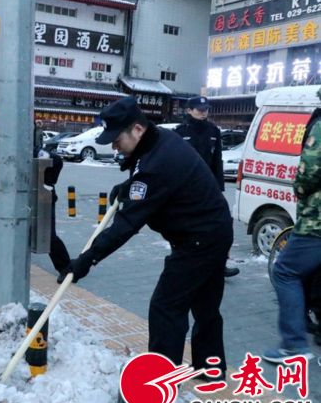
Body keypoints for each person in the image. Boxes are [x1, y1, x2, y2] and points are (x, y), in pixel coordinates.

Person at [61, 97, 233, 376]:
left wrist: (87, 259)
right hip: (214, 230)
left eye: (117, 138)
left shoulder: (157, 162)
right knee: (205, 306)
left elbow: (126, 224)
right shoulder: (159, 139)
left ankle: (160, 380)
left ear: (137, 129)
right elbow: (151, 177)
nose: (114, 146)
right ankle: (210, 368)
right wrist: (128, 185)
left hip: (199, 240)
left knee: (166, 306)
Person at [263, 108, 321, 364]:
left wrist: (298, 188)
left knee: (285, 271)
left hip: (317, 223)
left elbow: (309, 171)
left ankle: (294, 345)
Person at [0, 134, 70, 276]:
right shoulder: (2, 167)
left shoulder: (30, 153)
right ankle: (13, 270)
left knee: (48, 235)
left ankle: (66, 268)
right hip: (20, 201)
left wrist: (47, 181)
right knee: (18, 234)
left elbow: (57, 162)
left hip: (42, 197)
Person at [175, 96, 239, 278]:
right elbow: (174, 163)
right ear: (189, 110)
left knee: (221, 224)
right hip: (187, 189)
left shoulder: (213, 131)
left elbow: (217, 160)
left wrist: (219, 188)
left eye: (206, 109)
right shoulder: (180, 132)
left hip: (209, 189)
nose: (203, 112)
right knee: (189, 228)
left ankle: (220, 263)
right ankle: (187, 263)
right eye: (199, 109)